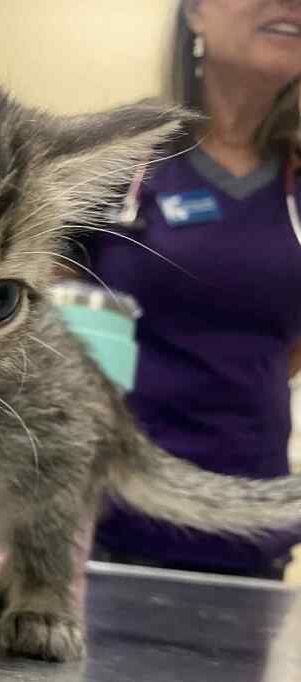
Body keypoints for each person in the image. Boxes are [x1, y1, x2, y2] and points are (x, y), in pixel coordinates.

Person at [79, 0, 301, 579]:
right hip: (103, 529)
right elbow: (44, 326)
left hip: (248, 532)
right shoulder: (121, 155)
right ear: (195, 14)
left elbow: (288, 351)